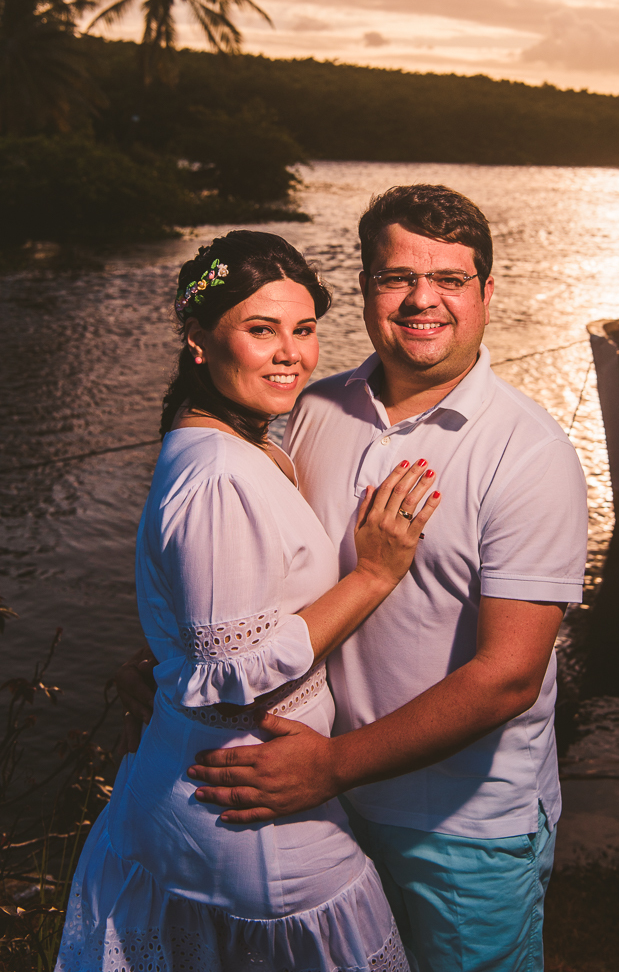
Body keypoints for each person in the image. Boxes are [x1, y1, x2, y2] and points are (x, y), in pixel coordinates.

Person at [185, 186, 588, 972]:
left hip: (461, 827)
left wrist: (330, 765)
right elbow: (256, 569)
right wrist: (176, 662)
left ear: (486, 293)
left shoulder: (528, 453)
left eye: (449, 279)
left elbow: (507, 677)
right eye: (396, 276)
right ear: (367, 286)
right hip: (324, 809)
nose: (421, 300)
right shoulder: (310, 409)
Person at [57, 230, 442, 972]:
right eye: (260, 330)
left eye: (302, 330)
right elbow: (232, 667)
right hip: (246, 816)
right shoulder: (220, 474)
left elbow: (214, 624)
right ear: (198, 339)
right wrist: (374, 574)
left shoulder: (236, 441)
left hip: (220, 795)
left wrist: (167, 657)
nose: (290, 354)